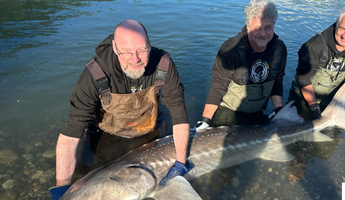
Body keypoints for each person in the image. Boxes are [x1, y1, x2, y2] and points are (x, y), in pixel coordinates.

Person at [49, 19, 192, 199]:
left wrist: (180, 162)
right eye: (126, 52)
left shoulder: (163, 64)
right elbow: (71, 133)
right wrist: (62, 187)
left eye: (142, 50)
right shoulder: (95, 73)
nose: (135, 59)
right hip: (106, 134)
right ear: (115, 47)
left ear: (149, 44)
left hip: (149, 128)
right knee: (87, 177)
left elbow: (178, 113)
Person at [196, 0, 287, 131]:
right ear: (248, 25)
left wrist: (279, 111)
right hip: (228, 112)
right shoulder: (231, 49)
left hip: (257, 110)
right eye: (257, 28)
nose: (262, 33)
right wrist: (205, 121)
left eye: (268, 27)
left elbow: (277, 81)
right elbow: (218, 86)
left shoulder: (280, 49)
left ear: (274, 25)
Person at [288, 4, 345, 121]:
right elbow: (304, 78)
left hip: (332, 102)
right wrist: (313, 106)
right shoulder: (314, 46)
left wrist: (340, 110)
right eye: (342, 28)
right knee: (295, 131)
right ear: (337, 23)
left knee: (330, 138)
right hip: (302, 96)